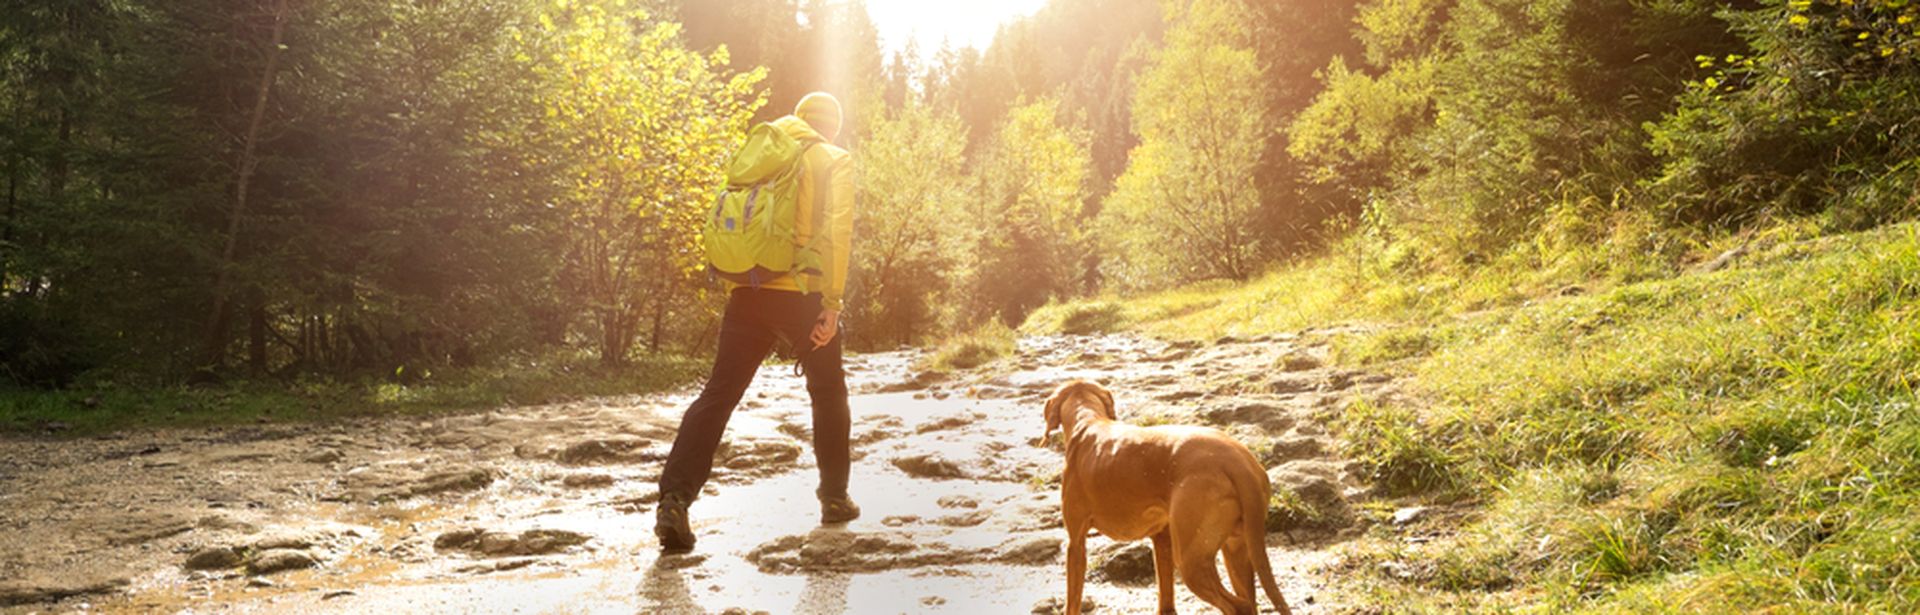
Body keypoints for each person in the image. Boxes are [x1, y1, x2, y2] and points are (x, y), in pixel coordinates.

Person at [655, 92, 857, 553]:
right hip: (803, 294)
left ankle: (674, 500)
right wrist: (832, 304)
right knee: (828, 391)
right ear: (832, 126)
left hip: (747, 290)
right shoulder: (832, 158)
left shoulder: (760, 152)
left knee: (718, 394)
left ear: (799, 119)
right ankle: (834, 498)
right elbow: (838, 232)